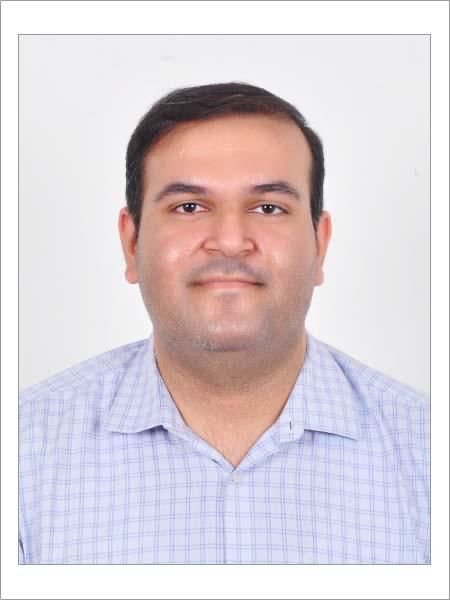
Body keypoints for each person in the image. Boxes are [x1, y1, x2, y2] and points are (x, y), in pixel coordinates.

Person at [19, 82, 430, 564]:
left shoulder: (427, 452)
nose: (231, 241)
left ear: (320, 244)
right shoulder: (23, 453)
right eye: (189, 207)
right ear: (132, 243)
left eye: (269, 208)